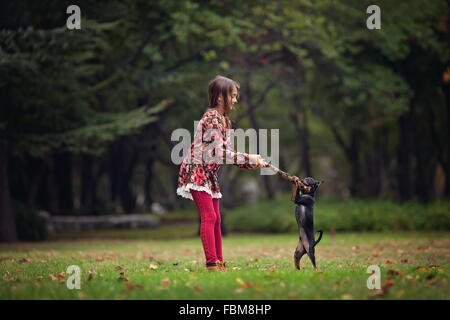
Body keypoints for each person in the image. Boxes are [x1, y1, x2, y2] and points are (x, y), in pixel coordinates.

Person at [176, 75, 269, 271]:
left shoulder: (222, 120)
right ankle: (212, 263)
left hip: (208, 173)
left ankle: (219, 262)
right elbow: (219, 153)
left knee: (216, 217)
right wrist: (249, 157)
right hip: (196, 170)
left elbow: (226, 155)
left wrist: (254, 162)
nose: (235, 100)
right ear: (220, 97)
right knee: (209, 216)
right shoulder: (211, 118)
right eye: (233, 96)